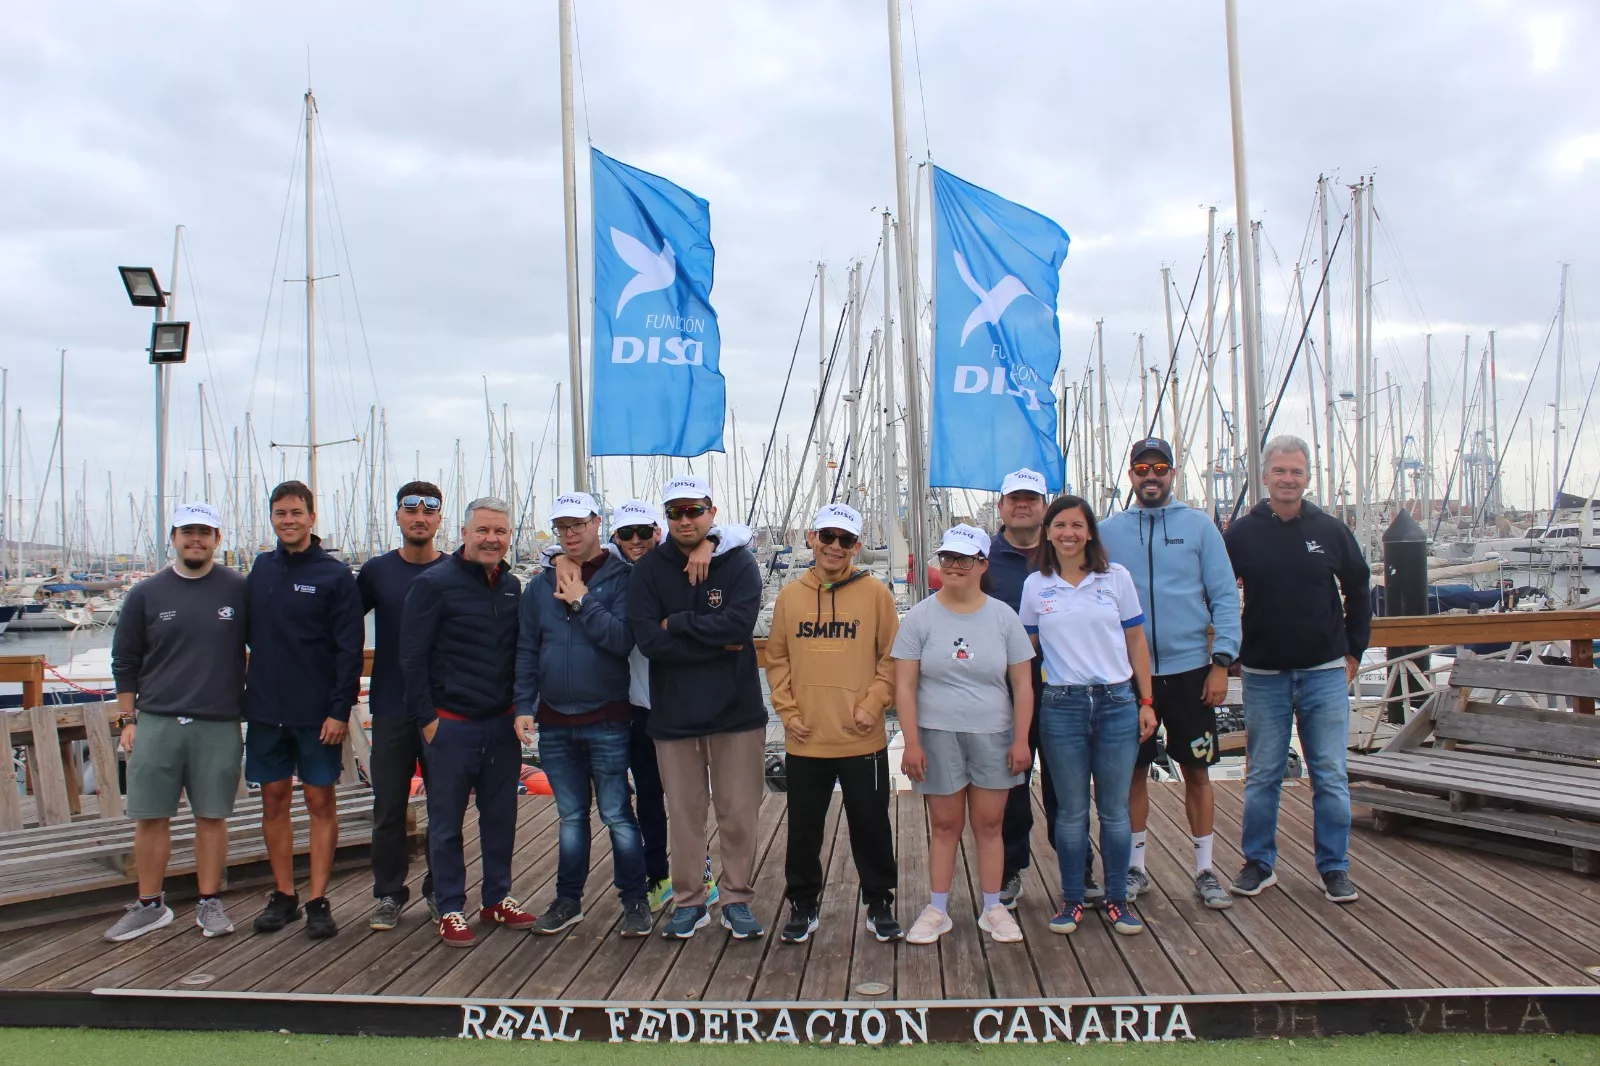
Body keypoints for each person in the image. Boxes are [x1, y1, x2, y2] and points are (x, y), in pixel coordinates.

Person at [1225, 436, 1370, 905]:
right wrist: (1227, 655)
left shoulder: (1330, 530)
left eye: (1297, 472)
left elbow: (1360, 589)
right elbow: (1221, 595)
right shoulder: (1242, 534)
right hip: (1264, 673)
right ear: (1266, 476)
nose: (1288, 479)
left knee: (1328, 773)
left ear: (1309, 477)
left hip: (1325, 672)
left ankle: (1334, 867)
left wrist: (1355, 652)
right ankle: (1258, 863)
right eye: (1280, 471)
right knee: (1263, 773)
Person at [1101, 438, 1241, 910]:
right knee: (1132, 774)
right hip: (1129, 675)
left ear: (1173, 473)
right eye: (1142, 468)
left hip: (1190, 671)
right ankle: (1136, 867)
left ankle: (1204, 869)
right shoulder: (1110, 531)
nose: (1151, 476)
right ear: (1131, 476)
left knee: (1196, 771)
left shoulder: (1199, 527)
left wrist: (1221, 662)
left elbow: (1224, 597)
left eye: (1159, 467)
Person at [628, 476, 767, 941]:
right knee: (684, 816)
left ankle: (736, 899)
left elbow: (740, 628)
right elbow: (649, 640)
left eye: (694, 510)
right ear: (665, 518)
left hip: (737, 713)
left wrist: (681, 625)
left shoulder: (739, 562)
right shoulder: (648, 570)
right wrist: (713, 639)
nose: (685, 519)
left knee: (737, 812)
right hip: (673, 716)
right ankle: (689, 901)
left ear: (711, 512)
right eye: (675, 512)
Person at [103, 503, 248, 942]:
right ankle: (150, 905)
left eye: (205, 532)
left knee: (212, 816)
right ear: (174, 536)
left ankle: (210, 902)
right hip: (158, 720)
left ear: (217, 539)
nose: (196, 539)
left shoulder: (239, 590)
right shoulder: (146, 594)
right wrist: (128, 719)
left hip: (218, 722)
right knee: (150, 817)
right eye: (188, 531)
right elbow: (124, 660)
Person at [602, 499, 748, 913]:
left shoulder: (686, 560)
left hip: (678, 702)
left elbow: (740, 531)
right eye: (626, 534)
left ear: (658, 532)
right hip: (636, 704)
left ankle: (701, 872)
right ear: (614, 538)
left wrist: (712, 542)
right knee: (648, 795)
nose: (636, 541)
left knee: (692, 799)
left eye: (645, 532)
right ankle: (656, 876)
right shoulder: (612, 569)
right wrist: (559, 558)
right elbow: (562, 551)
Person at [516, 491, 651, 938]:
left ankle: (635, 899)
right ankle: (567, 900)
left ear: (597, 522)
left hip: (607, 717)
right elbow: (527, 650)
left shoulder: (623, 579)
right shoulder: (538, 585)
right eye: (562, 527)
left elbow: (620, 640)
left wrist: (580, 599)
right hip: (554, 719)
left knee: (617, 813)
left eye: (578, 524)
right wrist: (523, 704)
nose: (571, 533)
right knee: (570, 817)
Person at [1020, 496, 1157, 937]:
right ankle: (1073, 899)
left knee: (1115, 811)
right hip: (1062, 705)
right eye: (1059, 525)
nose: (1068, 533)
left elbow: (1136, 642)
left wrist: (1147, 701)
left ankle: (1118, 900)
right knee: (1071, 813)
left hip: (1117, 702)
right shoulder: (1036, 586)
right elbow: (1026, 651)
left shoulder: (1116, 578)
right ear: (1048, 532)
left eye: (1077, 525)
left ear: (1090, 531)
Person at [766, 503, 902, 945]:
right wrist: (788, 713)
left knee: (872, 825)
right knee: (804, 830)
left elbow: (892, 659)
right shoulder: (790, 596)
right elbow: (777, 658)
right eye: (828, 537)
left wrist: (874, 704)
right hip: (806, 738)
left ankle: (879, 901)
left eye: (846, 540)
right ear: (813, 538)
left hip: (863, 736)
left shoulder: (877, 594)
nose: (835, 547)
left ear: (857, 546)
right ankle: (803, 905)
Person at [401, 497, 535, 947]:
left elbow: (520, 653)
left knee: (500, 816)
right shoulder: (433, 584)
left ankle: (496, 897)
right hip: (451, 724)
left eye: (500, 532)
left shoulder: (513, 587)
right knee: (445, 821)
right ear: (464, 533)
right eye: (483, 530)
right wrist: (428, 721)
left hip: (500, 725)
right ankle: (451, 905)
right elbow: (412, 658)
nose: (492, 539)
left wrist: (520, 706)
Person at [893, 524, 1034, 946]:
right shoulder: (919, 616)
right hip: (937, 734)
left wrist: (1021, 739)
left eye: (964, 559)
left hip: (994, 732)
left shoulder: (1003, 616)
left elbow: (1023, 685)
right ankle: (938, 908)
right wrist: (912, 741)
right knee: (945, 824)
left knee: (990, 824)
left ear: (982, 565)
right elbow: (904, 684)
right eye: (948, 558)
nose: (954, 566)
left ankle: (993, 907)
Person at [245, 481, 364, 939]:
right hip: (266, 710)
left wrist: (339, 710)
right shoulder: (260, 569)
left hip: (318, 715)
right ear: (272, 518)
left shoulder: (334, 576)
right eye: (280, 513)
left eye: (296, 512)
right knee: (273, 801)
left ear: (312, 518)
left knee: (319, 801)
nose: (288, 520)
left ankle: (317, 898)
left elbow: (348, 650)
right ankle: (284, 895)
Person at [358, 482, 447, 931]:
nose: (420, 516)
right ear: (397, 517)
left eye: (429, 510)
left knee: (445, 807)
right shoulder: (376, 573)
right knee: (388, 807)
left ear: (439, 519)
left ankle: (441, 891)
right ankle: (389, 894)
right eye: (410, 508)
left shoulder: (457, 569)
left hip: (442, 709)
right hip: (391, 706)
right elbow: (340, 628)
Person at [986, 467, 1073, 909]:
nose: (1023, 505)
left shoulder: (1065, 553)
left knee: (1066, 785)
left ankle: (1077, 870)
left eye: (1032, 499)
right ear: (1001, 506)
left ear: (1045, 506)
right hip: (1002, 693)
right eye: (1014, 498)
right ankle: (1009, 871)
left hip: (1060, 688)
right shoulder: (982, 557)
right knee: (1012, 787)